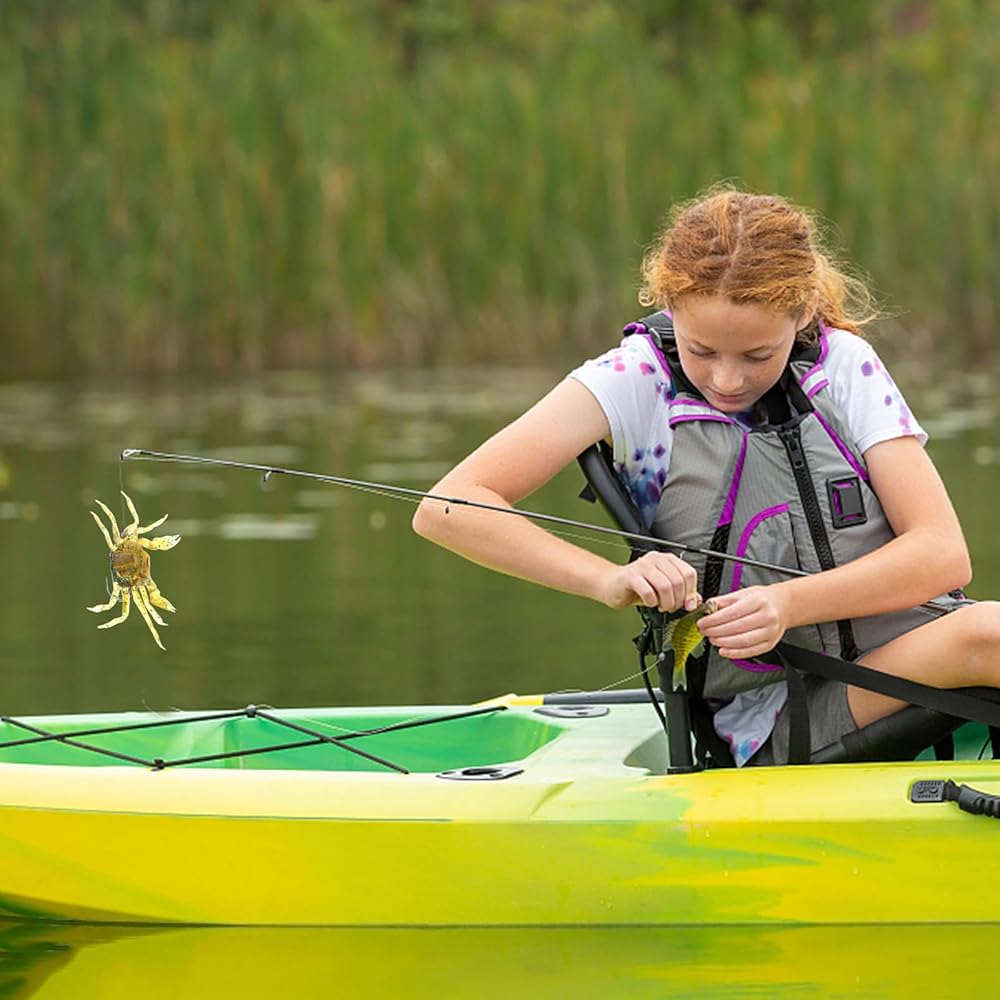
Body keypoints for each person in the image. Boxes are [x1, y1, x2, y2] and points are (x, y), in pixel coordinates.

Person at [412, 187, 1000, 766]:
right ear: (670, 306)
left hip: (912, 655)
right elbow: (447, 507)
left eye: (757, 355)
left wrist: (787, 603)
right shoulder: (633, 380)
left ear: (801, 314)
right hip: (773, 714)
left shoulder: (845, 363)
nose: (726, 380)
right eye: (702, 350)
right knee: (990, 633)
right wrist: (607, 579)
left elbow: (942, 555)